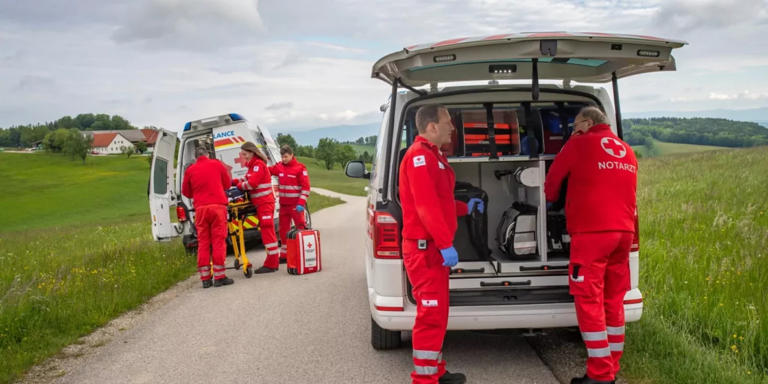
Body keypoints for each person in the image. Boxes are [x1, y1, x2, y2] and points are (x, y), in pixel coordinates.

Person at [544, 106, 638, 384]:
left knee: (589, 299)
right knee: (613, 300)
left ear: (586, 123)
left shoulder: (579, 143)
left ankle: (599, 375)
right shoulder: (627, 150)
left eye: (574, 126)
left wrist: (555, 201)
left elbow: (551, 185)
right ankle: (611, 369)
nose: (572, 131)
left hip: (592, 234)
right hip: (624, 234)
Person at [398, 104, 483, 384]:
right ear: (432, 126)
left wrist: (464, 207)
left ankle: (436, 371)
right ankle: (424, 380)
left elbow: (440, 201)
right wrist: (446, 243)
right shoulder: (419, 157)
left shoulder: (433, 156)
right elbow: (425, 206)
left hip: (432, 249)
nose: (452, 128)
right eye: (448, 122)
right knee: (430, 316)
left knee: (438, 315)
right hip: (425, 250)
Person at [181, 146, 235, 288]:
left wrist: (199, 194)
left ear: (195, 157)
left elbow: (186, 192)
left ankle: (205, 278)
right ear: (207, 154)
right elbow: (227, 184)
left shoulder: (190, 170)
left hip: (200, 210)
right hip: (217, 208)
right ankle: (219, 277)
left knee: (203, 242)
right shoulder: (217, 164)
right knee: (218, 241)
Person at [233, 142, 280, 273]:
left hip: (265, 204)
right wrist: (234, 182)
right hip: (262, 204)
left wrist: (239, 186)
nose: (243, 157)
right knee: (267, 233)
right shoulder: (253, 167)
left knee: (268, 233)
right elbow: (245, 179)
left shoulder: (258, 165)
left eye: (245, 154)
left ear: (252, 152)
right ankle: (272, 261)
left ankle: (272, 263)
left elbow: (252, 183)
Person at [269, 145, 310, 263]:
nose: (284, 159)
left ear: (292, 155)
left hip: (296, 205)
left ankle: (302, 252)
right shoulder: (279, 167)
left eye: (286, 156)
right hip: (284, 205)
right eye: (282, 157)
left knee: (300, 228)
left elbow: (306, 187)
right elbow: (268, 170)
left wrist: (301, 203)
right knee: (283, 230)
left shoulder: (300, 168)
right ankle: (285, 255)